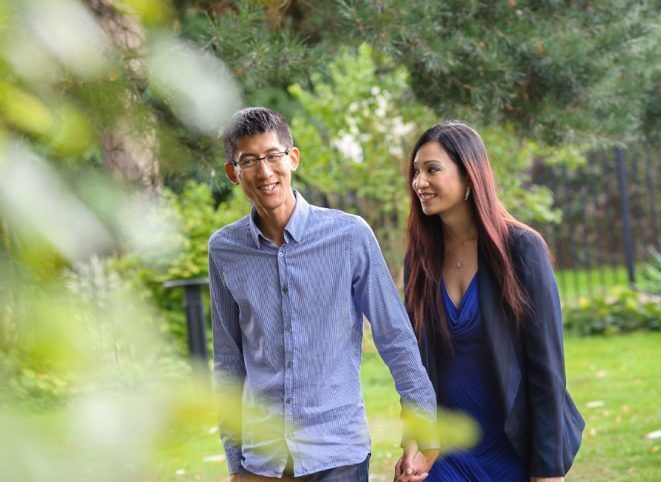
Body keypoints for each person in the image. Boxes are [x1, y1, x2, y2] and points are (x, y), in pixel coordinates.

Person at [209, 107, 438, 481]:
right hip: (262, 462)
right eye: (248, 161)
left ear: (292, 158)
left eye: (272, 156)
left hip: (338, 455)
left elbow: (394, 335)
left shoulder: (349, 236)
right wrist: (236, 461)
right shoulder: (224, 250)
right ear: (233, 173)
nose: (264, 172)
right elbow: (229, 360)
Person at [396, 121, 584, 482]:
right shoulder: (420, 259)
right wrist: (415, 440)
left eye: (432, 170)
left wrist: (548, 470)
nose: (419, 182)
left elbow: (546, 368)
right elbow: (415, 362)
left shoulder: (521, 249)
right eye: (416, 172)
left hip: (510, 445)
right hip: (445, 449)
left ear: (469, 176)